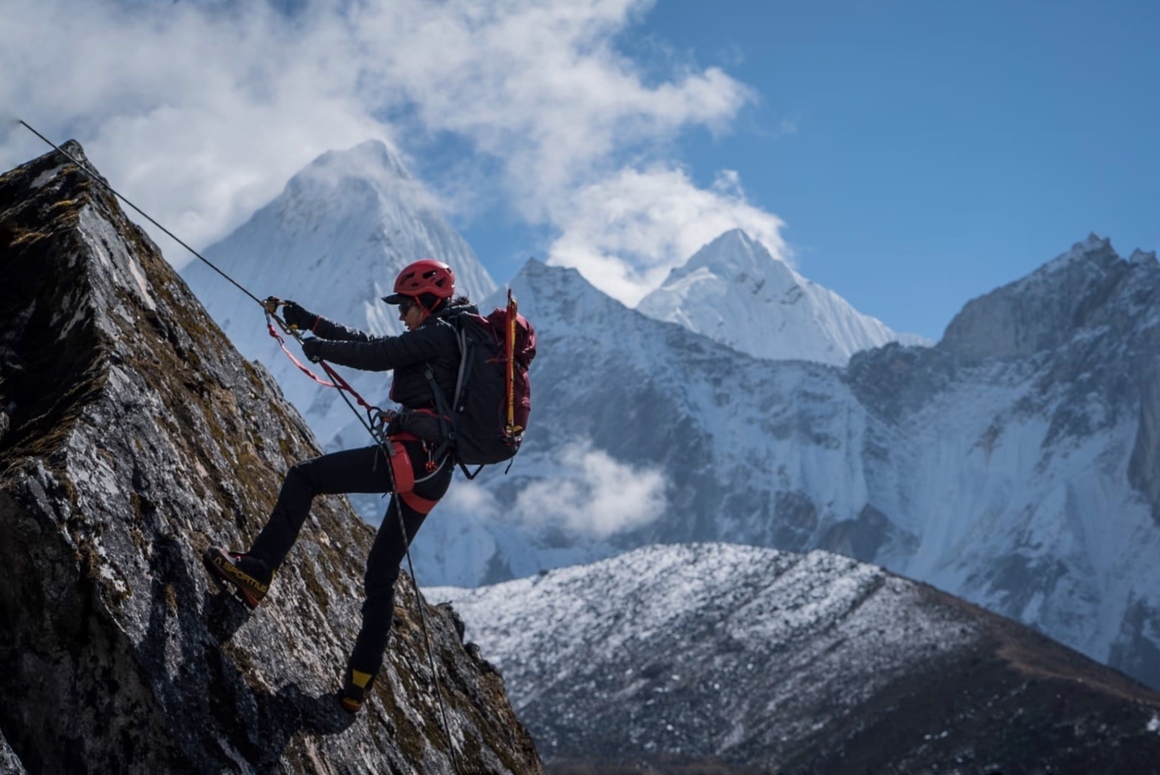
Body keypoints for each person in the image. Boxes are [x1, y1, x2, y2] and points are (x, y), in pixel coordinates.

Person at [204, 258, 470, 714]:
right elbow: (378, 344)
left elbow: (377, 355)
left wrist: (321, 347)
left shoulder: (439, 335)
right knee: (381, 575)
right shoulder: (446, 334)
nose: (401, 314)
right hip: (433, 470)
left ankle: (257, 572)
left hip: (411, 458)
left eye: (406, 305)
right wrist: (311, 323)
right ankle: (357, 687)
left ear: (427, 301)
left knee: (304, 478)